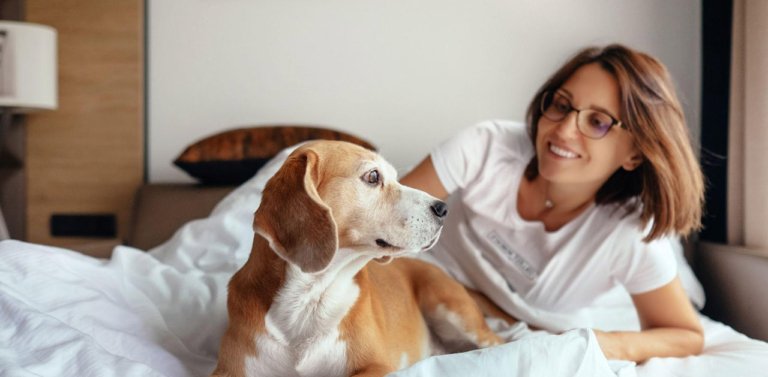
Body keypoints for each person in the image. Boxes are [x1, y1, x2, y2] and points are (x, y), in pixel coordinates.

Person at [400, 44, 705, 362]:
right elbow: (385, 224)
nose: (563, 130)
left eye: (598, 121)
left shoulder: (631, 233)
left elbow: (686, 335)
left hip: (516, 331)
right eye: (562, 105)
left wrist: (600, 344)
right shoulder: (485, 147)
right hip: (415, 283)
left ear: (635, 153)